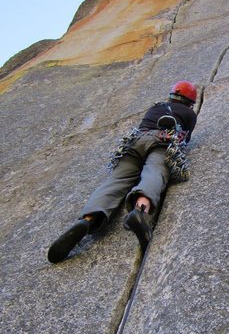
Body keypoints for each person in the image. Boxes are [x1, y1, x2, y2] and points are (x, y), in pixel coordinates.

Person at [47, 80, 197, 263]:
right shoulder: (189, 113)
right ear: (190, 101)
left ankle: (88, 218)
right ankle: (140, 211)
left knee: (115, 181)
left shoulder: (155, 108)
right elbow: (185, 139)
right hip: (163, 141)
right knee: (155, 172)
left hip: (134, 143)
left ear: (172, 95)